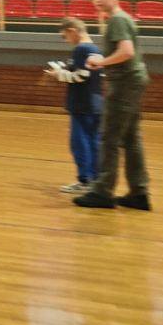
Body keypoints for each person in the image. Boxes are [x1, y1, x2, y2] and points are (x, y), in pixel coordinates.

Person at [74, 0, 150, 210]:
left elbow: (126, 52)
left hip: (124, 83)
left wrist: (101, 62)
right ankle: (139, 193)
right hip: (133, 81)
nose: (97, 1)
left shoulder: (117, 20)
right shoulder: (121, 18)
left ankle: (103, 192)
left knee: (109, 137)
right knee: (131, 139)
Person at [43, 17, 104, 194]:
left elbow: (81, 76)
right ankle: (96, 180)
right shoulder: (95, 49)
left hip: (82, 103)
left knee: (80, 143)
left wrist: (58, 75)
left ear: (72, 31)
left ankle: (85, 180)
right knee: (93, 142)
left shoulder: (81, 49)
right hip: (95, 103)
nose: (66, 40)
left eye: (65, 36)